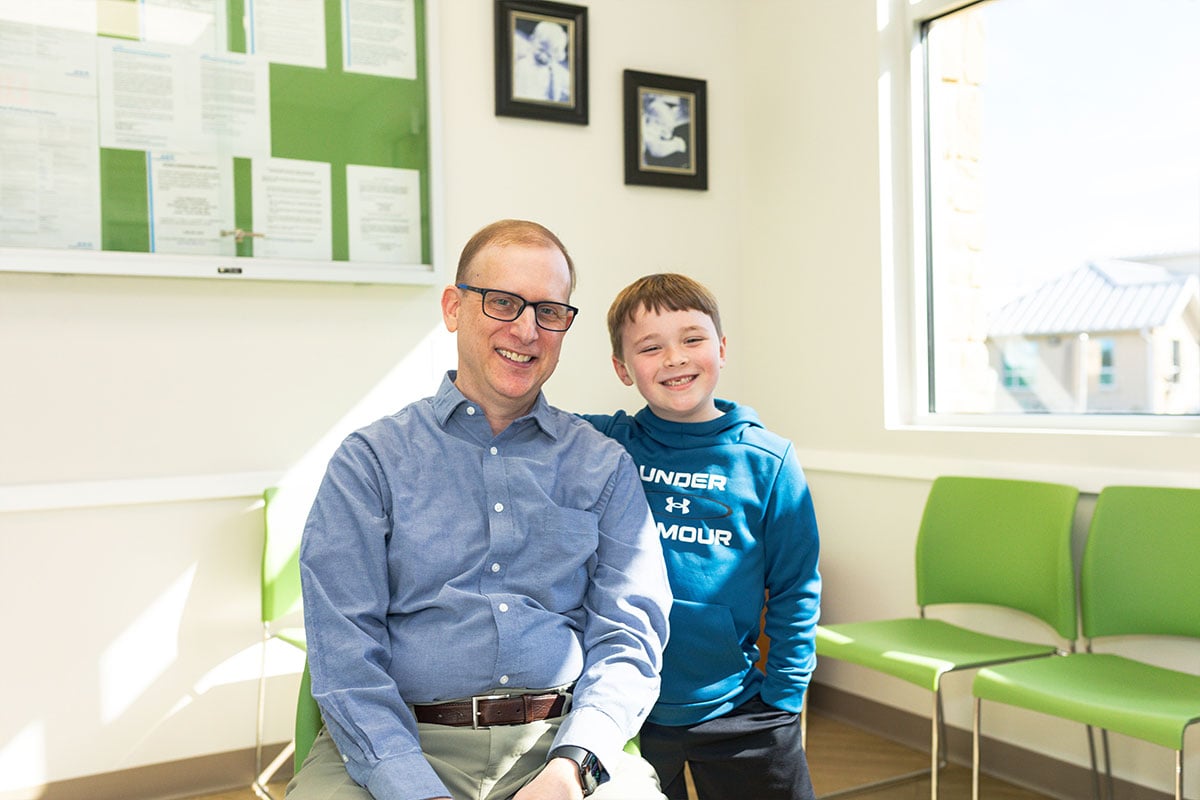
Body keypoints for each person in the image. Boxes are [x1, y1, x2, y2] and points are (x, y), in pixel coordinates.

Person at [289, 220, 672, 800]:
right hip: (396, 746)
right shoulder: (370, 461)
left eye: (549, 310)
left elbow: (630, 638)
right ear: (454, 308)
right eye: (502, 302)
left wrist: (572, 769)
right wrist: (411, 787)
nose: (526, 329)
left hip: (558, 746)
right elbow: (345, 655)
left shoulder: (603, 466)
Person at [581, 273, 821, 800]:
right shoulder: (604, 444)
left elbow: (796, 587)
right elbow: (522, 418)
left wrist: (784, 696)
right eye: (650, 347)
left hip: (740, 711)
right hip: (627, 713)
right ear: (623, 369)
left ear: (722, 348)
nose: (675, 358)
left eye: (692, 338)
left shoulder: (768, 461)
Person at [512, 20, 571, 103]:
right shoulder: (523, 64)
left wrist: (553, 78)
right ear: (532, 40)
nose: (543, 57)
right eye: (540, 50)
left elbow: (554, 98)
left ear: (557, 57)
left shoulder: (553, 73)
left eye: (549, 55)